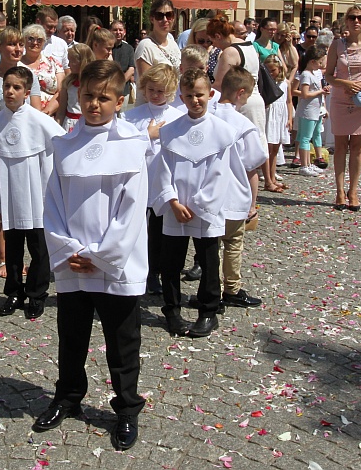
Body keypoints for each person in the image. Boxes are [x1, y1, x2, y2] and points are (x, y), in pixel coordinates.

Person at [34, 60, 148, 451]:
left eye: (104, 98)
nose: (95, 104)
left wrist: (101, 256)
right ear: (77, 97)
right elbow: (52, 204)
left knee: (122, 341)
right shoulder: (65, 144)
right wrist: (68, 249)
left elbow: (132, 210)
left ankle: (127, 409)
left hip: (115, 263)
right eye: (88, 96)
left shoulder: (131, 145)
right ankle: (68, 396)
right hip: (73, 260)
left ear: (119, 100)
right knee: (72, 335)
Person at [0, 66, 64, 319]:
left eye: (16, 87)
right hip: (9, 195)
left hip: (36, 195)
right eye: (6, 86)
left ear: (27, 91)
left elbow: (50, 161)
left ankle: (36, 294)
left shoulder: (41, 122)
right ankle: (13, 291)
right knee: (12, 248)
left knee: (38, 248)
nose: (10, 91)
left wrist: (51, 196)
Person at [152, 68, 237, 338]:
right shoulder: (170, 132)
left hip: (205, 209)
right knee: (171, 263)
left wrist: (199, 205)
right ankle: (172, 310)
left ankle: (208, 311)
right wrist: (173, 202)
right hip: (176, 210)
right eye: (188, 96)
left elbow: (220, 174)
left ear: (210, 94)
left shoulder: (222, 132)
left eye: (199, 95)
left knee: (209, 261)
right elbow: (162, 170)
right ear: (181, 97)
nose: (195, 100)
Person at [0, 27, 42, 279]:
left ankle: (31, 258)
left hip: (24, 148)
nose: (17, 49)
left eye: (20, 45)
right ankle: (3, 258)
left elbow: (34, 113)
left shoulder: (28, 75)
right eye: (12, 44)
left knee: (27, 201)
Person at [211, 65, 267, 309]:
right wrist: (253, 204)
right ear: (240, 93)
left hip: (207, 193)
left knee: (209, 244)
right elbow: (252, 165)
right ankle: (231, 288)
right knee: (233, 242)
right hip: (233, 193)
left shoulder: (205, 116)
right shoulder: (242, 124)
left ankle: (210, 286)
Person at [124, 64, 183, 297]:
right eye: (151, 90)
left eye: (161, 91)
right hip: (140, 178)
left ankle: (155, 271)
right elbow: (125, 147)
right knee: (138, 226)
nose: (156, 95)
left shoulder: (178, 117)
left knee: (159, 231)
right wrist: (146, 136)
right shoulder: (131, 116)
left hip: (163, 180)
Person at [323, 5, 361, 211]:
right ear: (346, 21)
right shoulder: (337, 45)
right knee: (340, 146)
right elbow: (328, 74)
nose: (356, 21)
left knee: (357, 148)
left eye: (360, 18)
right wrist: (345, 84)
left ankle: (353, 190)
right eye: (352, 17)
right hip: (340, 98)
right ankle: (339, 190)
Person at [295, 45, 329, 176]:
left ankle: (309, 164)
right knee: (305, 138)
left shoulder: (315, 73)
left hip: (316, 110)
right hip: (308, 110)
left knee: (315, 135)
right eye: (320, 62)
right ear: (312, 61)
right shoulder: (305, 74)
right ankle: (304, 165)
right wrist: (320, 91)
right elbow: (305, 94)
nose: (321, 65)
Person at [262, 54, 292, 192]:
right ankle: (268, 178)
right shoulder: (266, 83)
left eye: (273, 70)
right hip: (270, 115)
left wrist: (290, 118)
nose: (271, 73)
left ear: (279, 69)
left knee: (276, 148)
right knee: (268, 148)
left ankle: (273, 176)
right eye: (268, 71)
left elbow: (289, 101)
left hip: (281, 115)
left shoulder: (285, 83)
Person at [22, 23, 64, 117]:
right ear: (24, 40)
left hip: (50, 116)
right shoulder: (16, 64)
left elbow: (62, 91)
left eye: (39, 40)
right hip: (24, 115)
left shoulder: (53, 63)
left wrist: (45, 113)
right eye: (30, 39)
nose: (35, 43)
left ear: (44, 42)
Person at [135, 0, 181, 76]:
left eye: (169, 15)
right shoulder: (145, 46)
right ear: (152, 19)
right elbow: (146, 84)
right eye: (159, 16)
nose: (165, 20)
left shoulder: (172, 42)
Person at [55, 45, 96, 133]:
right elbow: (61, 110)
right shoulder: (68, 82)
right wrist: (57, 129)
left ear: (82, 61)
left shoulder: (94, 83)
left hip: (88, 124)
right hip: (70, 124)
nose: (69, 64)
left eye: (72, 61)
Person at [110, 20, 136, 99]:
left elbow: (131, 69)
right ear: (110, 31)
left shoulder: (129, 49)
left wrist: (120, 83)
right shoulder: (106, 47)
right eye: (115, 30)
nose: (118, 32)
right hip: (108, 89)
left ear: (124, 32)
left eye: (120, 30)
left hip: (123, 90)